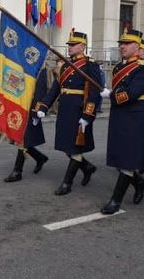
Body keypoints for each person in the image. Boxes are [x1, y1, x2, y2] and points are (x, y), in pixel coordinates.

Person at [36, 29, 102, 195]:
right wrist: (44, 106)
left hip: (78, 111)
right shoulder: (65, 65)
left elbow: (94, 91)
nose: (70, 47)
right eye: (69, 45)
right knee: (67, 146)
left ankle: (67, 183)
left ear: (83, 46)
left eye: (73, 45)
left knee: (75, 148)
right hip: (65, 110)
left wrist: (88, 115)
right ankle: (87, 167)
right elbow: (56, 88)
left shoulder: (89, 65)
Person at [99, 26, 144, 215]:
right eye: (121, 43)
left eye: (127, 43)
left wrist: (112, 95)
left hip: (135, 116)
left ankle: (115, 201)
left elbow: (133, 92)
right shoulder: (118, 67)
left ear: (138, 47)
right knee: (120, 156)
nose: (122, 46)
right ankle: (140, 183)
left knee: (128, 160)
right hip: (119, 115)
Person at [4, 62, 49, 182]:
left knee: (23, 140)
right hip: (21, 107)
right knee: (22, 139)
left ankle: (17, 171)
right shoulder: (25, 67)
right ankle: (40, 157)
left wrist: (36, 112)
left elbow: (40, 92)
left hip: (31, 110)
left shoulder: (40, 70)